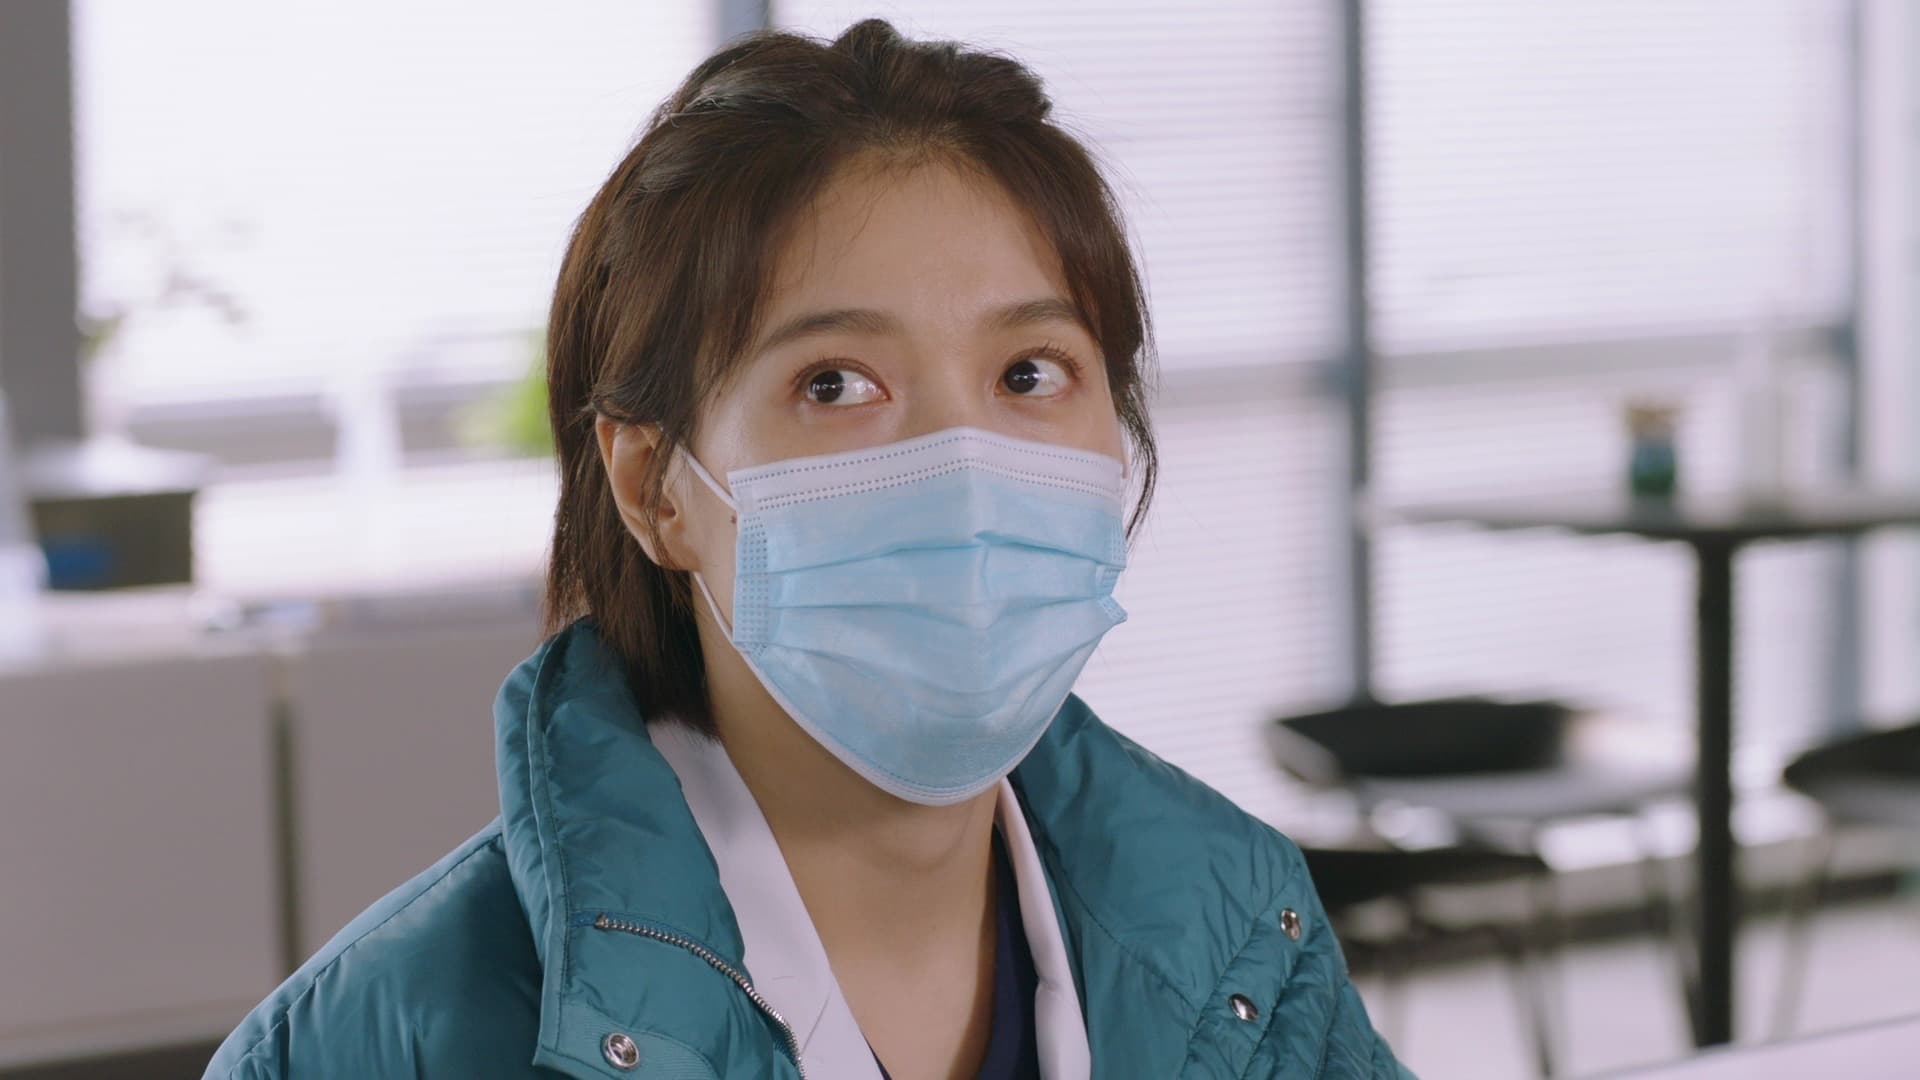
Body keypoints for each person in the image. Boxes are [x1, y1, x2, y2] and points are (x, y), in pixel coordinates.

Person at [206, 18, 1412, 1079]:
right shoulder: (380, 1041)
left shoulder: (1245, 941)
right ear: (654, 488)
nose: (964, 463)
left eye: (1029, 373)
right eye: (836, 383)